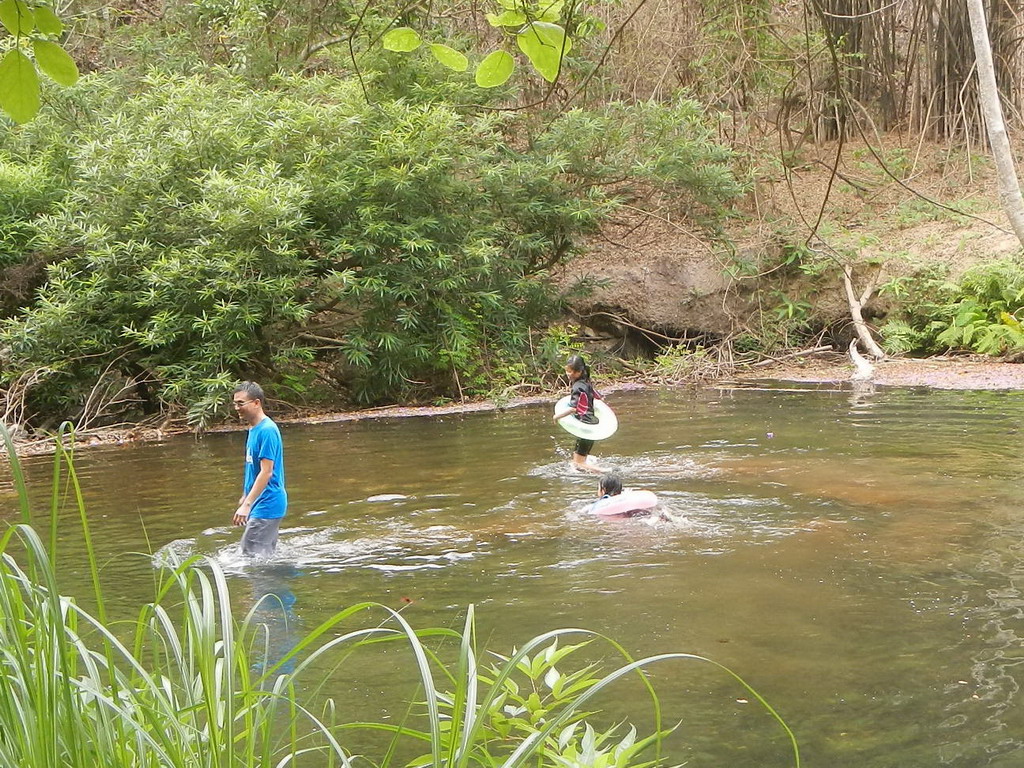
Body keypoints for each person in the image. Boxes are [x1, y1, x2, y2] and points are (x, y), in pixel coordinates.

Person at [232, 381, 287, 558]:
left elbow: (267, 472)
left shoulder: (267, 430)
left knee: (249, 557)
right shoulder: (254, 428)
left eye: (241, 403)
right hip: (260, 502)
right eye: (235, 403)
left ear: (256, 403)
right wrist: (245, 495)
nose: (236, 408)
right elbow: (252, 467)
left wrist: (247, 505)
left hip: (268, 503)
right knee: (261, 556)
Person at [552, 353, 604, 473]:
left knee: (578, 464)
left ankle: (606, 471)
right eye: (567, 371)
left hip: (585, 427)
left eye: (571, 372)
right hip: (591, 424)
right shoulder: (587, 383)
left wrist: (556, 416)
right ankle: (595, 470)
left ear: (579, 372)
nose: (568, 374)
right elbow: (600, 398)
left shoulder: (577, 387)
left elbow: (574, 408)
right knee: (578, 460)